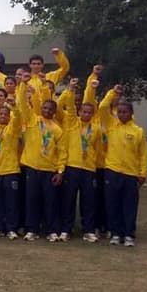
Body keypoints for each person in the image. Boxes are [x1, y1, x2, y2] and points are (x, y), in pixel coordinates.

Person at [17, 75, 68, 242]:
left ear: (54, 112)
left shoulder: (57, 129)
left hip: (49, 170)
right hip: (32, 168)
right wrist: (24, 84)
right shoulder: (33, 120)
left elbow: (62, 152)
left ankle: (51, 230)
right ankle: (32, 229)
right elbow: (23, 104)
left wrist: (60, 171)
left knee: (50, 202)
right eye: (44, 108)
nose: (46, 111)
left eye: (49, 109)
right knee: (32, 200)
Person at [99, 85, 147, 247]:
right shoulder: (111, 125)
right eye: (119, 112)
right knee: (113, 204)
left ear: (131, 113)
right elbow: (102, 107)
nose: (121, 114)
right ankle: (115, 233)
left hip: (130, 174)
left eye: (125, 112)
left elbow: (143, 154)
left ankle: (129, 235)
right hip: (112, 172)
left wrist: (142, 173)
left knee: (129, 205)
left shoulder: (138, 131)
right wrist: (113, 92)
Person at [58, 78, 104, 242]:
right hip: (72, 167)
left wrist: (95, 166)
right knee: (68, 200)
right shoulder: (71, 122)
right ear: (79, 112)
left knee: (88, 201)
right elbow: (69, 106)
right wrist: (70, 89)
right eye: (83, 111)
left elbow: (97, 150)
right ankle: (66, 229)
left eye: (88, 112)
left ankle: (88, 230)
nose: (85, 114)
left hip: (89, 169)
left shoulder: (96, 129)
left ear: (93, 114)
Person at [0, 102, 23, 240]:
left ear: (9, 117)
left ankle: (11, 228)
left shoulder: (13, 130)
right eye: (0, 114)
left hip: (10, 170)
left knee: (11, 201)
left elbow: (17, 119)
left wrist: (14, 108)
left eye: (5, 115)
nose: (3, 116)